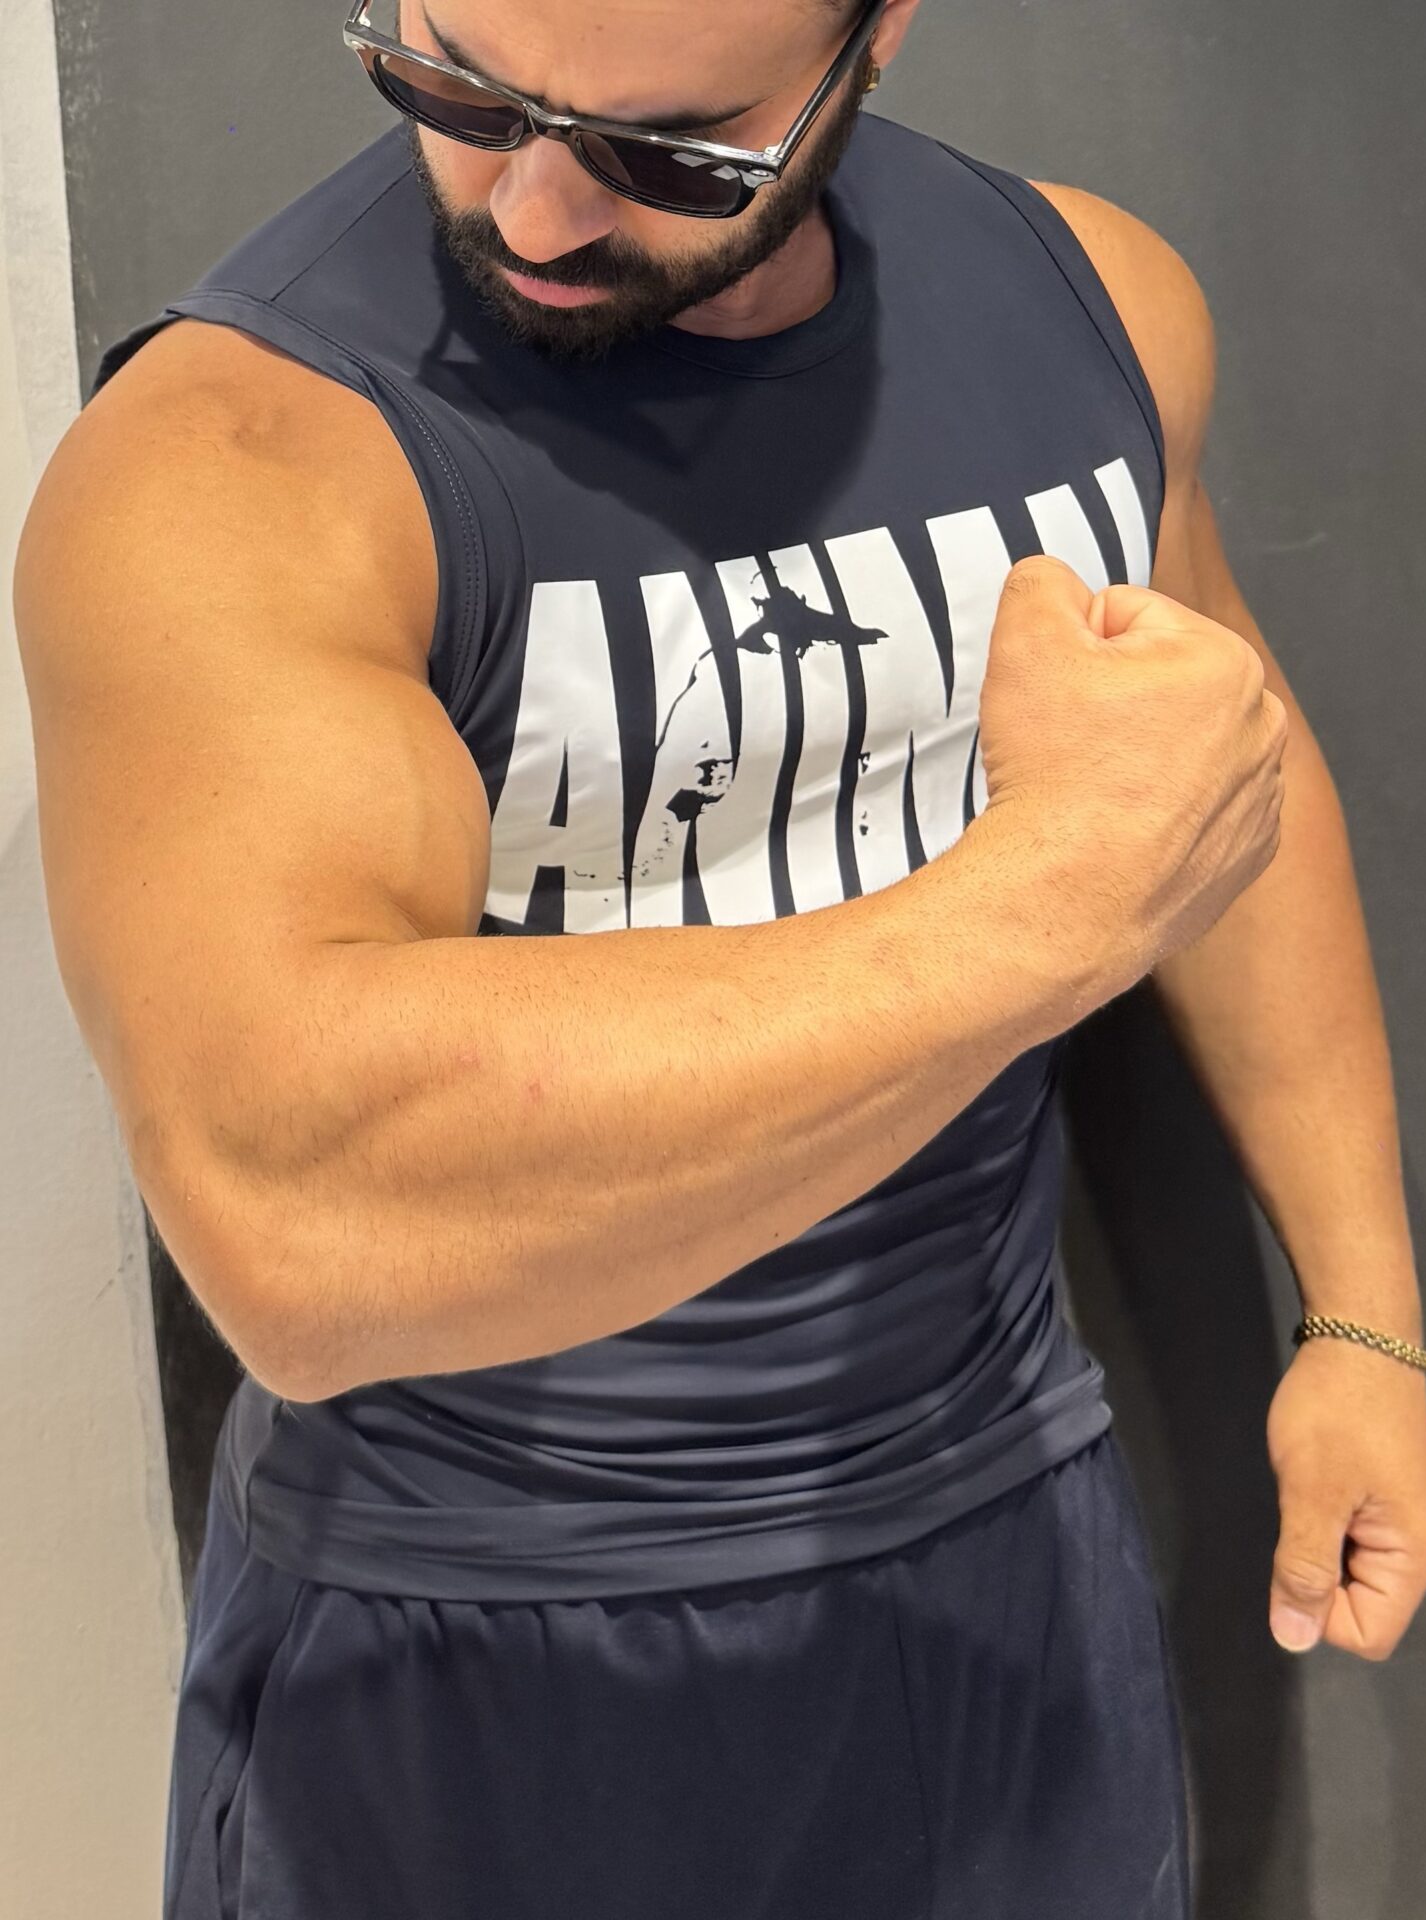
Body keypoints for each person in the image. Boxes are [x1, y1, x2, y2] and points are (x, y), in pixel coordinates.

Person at [16, 1, 1323, 1914]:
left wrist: (1366, 1313)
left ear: (876, 38)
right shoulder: (240, 456)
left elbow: (1220, 771)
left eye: (669, 153)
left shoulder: (1092, 299)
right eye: (456, 86)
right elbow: (304, 1216)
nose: (533, 211)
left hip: (1010, 1541)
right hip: (480, 1638)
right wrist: (1049, 906)